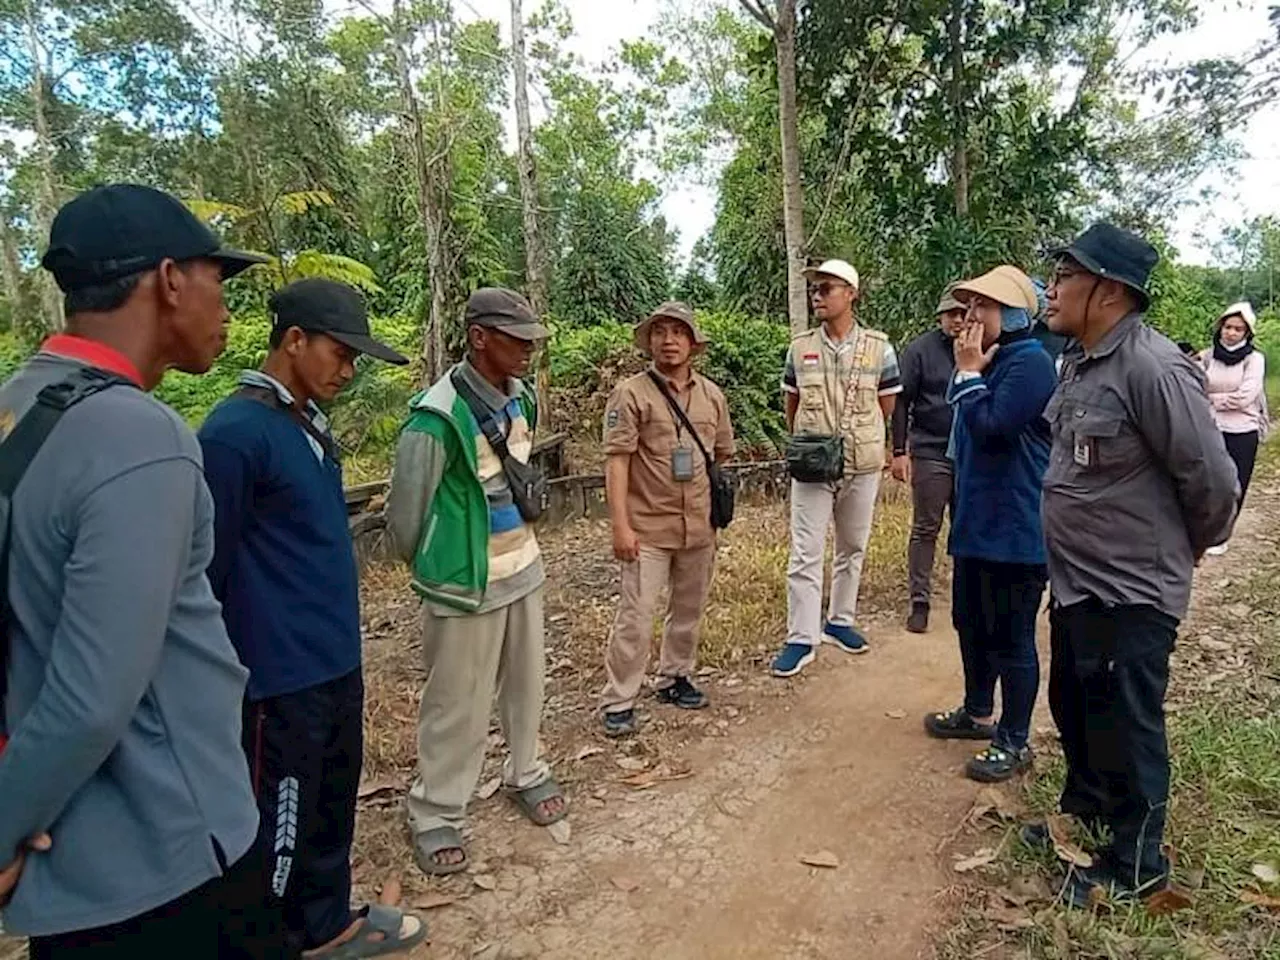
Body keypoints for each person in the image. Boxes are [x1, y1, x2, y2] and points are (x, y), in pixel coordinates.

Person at [0, 183, 284, 956]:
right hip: (171, 859)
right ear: (168, 281)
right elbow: (93, 698)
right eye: (218, 281)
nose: (225, 309)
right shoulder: (136, 438)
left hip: (73, 878)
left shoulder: (19, 410)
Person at [199, 278, 425, 958]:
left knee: (332, 802)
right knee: (281, 822)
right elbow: (205, 565)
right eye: (340, 353)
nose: (349, 371)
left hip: (332, 660)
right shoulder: (237, 434)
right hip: (278, 675)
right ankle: (275, 939)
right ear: (293, 341)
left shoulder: (301, 425)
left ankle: (326, 925)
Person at [1037, 223, 1238, 906]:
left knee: (1128, 722)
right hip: (1077, 582)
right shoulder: (1080, 359)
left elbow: (1212, 480)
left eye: (1067, 275)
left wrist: (1187, 552)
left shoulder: (1153, 369)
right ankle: (1093, 822)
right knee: (1077, 701)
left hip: (1131, 589)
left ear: (1111, 292)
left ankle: (1136, 865)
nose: (1053, 287)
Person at [386, 287, 568, 877]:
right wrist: (435, 561)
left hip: (523, 568)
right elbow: (405, 515)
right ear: (478, 337)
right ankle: (437, 809)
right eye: (515, 339)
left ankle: (525, 770)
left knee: (526, 684)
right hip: (465, 579)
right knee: (456, 700)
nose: (527, 350)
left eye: (531, 340)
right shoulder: (435, 417)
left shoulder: (524, 399)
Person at [921, 266, 1056, 783]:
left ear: (1017, 314)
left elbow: (994, 428)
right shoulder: (992, 359)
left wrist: (970, 372)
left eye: (984, 307)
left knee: (1012, 636)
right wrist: (973, 369)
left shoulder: (1031, 365)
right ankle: (977, 713)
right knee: (970, 622)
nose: (971, 317)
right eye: (969, 306)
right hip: (978, 522)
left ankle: (1014, 739)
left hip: (1018, 529)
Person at [598, 302, 735, 737]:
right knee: (636, 617)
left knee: (689, 609)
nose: (669, 340)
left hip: (698, 525)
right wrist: (620, 526)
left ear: (693, 344)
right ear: (650, 341)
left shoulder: (712, 395)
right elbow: (617, 461)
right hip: (647, 528)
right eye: (660, 332)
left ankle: (674, 677)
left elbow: (723, 454)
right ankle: (620, 699)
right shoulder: (631, 393)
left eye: (678, 332)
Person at [771, 258, 902, 678]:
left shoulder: (880, 348)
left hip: (862, 464)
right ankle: (801, 636)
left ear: (851, 294)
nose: (818, 295)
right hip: (812, 465)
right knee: (806, 550)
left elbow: (888, 404)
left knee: (853, 545)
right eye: (815, 289)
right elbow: (790, 403)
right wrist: (811, 440)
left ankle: (839, 621)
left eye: (827, 288)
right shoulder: (799, 347)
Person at [890, 289, 964, 633]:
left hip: (971, 451)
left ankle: (968, 596)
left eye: (964, 313)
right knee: (925, 527)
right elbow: (902, 402)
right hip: (931, 449)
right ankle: (919, 600)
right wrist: (900, 451)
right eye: (951, 314)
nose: (958, 320)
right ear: (940, 316)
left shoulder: (984, 348)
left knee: (968, 524)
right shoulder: (920, 350)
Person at [1199, 301, 1266, 556]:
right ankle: (1206, 530)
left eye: (1238, 329)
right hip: (1211, 428)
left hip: (1242, 431)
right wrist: (1217, 399)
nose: (1231, 333)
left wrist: (1213, 399)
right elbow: (1194, 383)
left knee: (1235, 483)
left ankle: (1222, 535)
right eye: (1228, 327)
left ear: (1247, 333)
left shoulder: (1254, 359)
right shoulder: (1207, 356)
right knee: (1209, 481)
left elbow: (1246, 395)